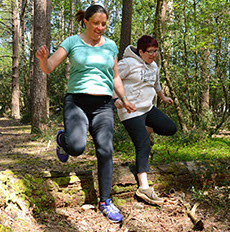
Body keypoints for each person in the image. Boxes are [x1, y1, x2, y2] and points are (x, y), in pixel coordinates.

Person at [36, 5, 136, 223]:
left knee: (105, 150)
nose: (100, 28)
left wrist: (124, 99)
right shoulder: (72, 42)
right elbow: (50, 66)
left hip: (103, 105)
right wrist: (43, 59)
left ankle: (105, 202)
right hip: (77, 103)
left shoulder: (110, 46)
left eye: (103, 24)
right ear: (86, 22)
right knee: (77, 147)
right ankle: (63, 139)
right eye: (95, 23)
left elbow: (116, 77)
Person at [114, 35, 177, 205]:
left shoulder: (154, 66)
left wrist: (163, 97)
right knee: (144, 145)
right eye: (149, 52)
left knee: (170, 128)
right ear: (140, 51)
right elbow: (111, 78)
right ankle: (144, 188)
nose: (153, 55)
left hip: (147, 109)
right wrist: (116, 100)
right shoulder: (127, 63)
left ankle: (145, 128)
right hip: (130, 111)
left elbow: (156, 84)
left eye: (155, 51)